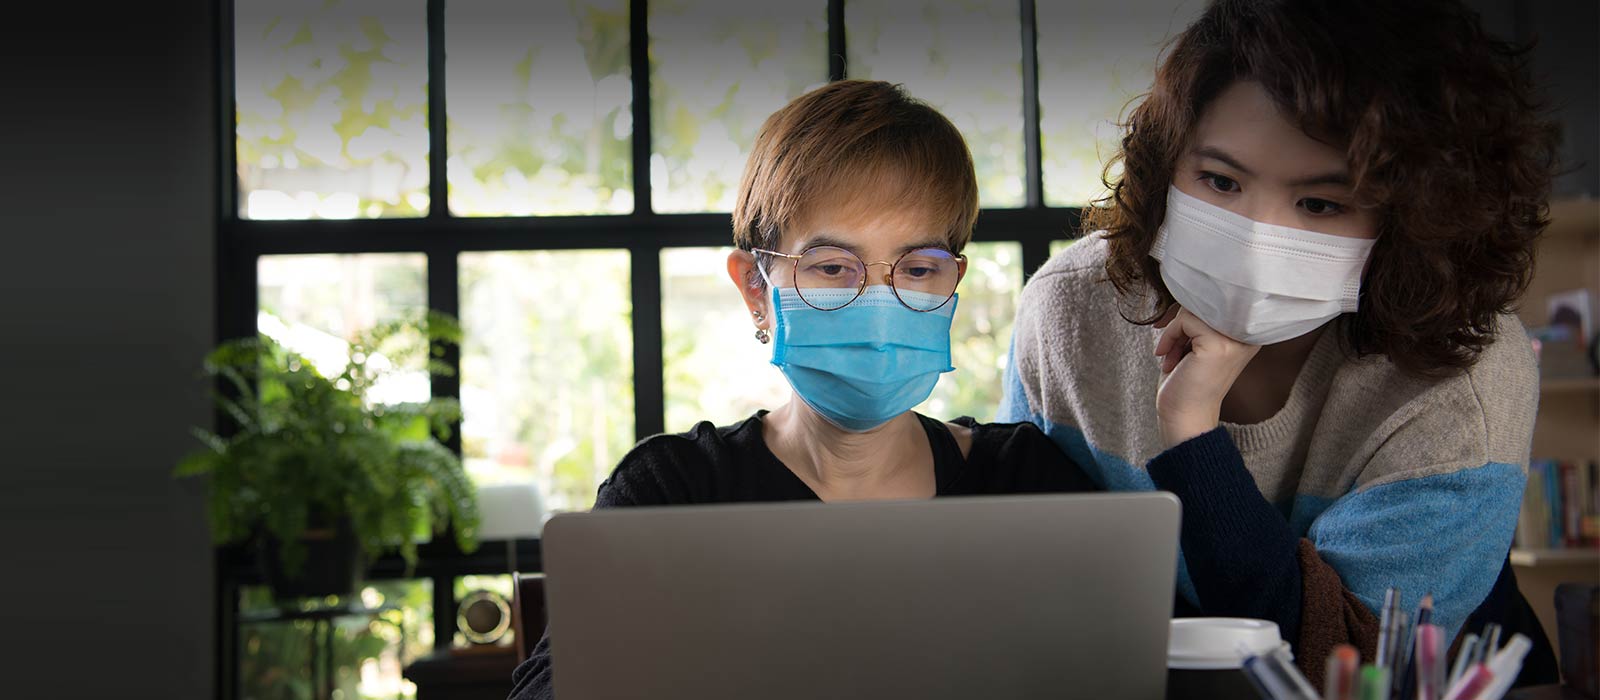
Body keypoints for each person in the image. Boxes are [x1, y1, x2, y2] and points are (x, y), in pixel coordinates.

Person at [508, 79, 1255, 700]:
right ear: (757, 291)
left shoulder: (1026, 486)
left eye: (917, 266)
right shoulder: (672, 491)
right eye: (833, 267)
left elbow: (1181, 671)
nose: (879, 300)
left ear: (952, 283)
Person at [1001, 0, 1561, 684]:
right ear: (1167, 165)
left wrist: (1193, 436)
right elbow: (1029, 565)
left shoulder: (1467, 377)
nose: (1255, 241)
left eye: (1321, 205)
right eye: (1220, 180)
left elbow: (1333, 668)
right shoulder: (1071, 306)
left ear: (1415, 220)